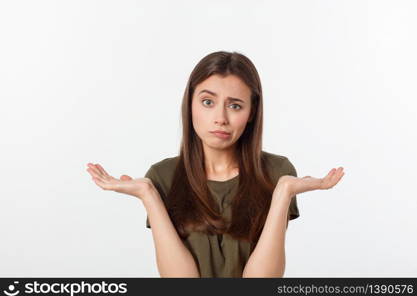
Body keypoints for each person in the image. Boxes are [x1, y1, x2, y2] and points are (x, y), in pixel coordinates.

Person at [86, 50, 345, 278]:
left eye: (235, 105)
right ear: (190, 104)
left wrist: (283, 193)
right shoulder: (162, 176)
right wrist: (149, 195)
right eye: (208, 102)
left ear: (251, 113)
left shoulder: (276, 173)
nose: (220, 118)